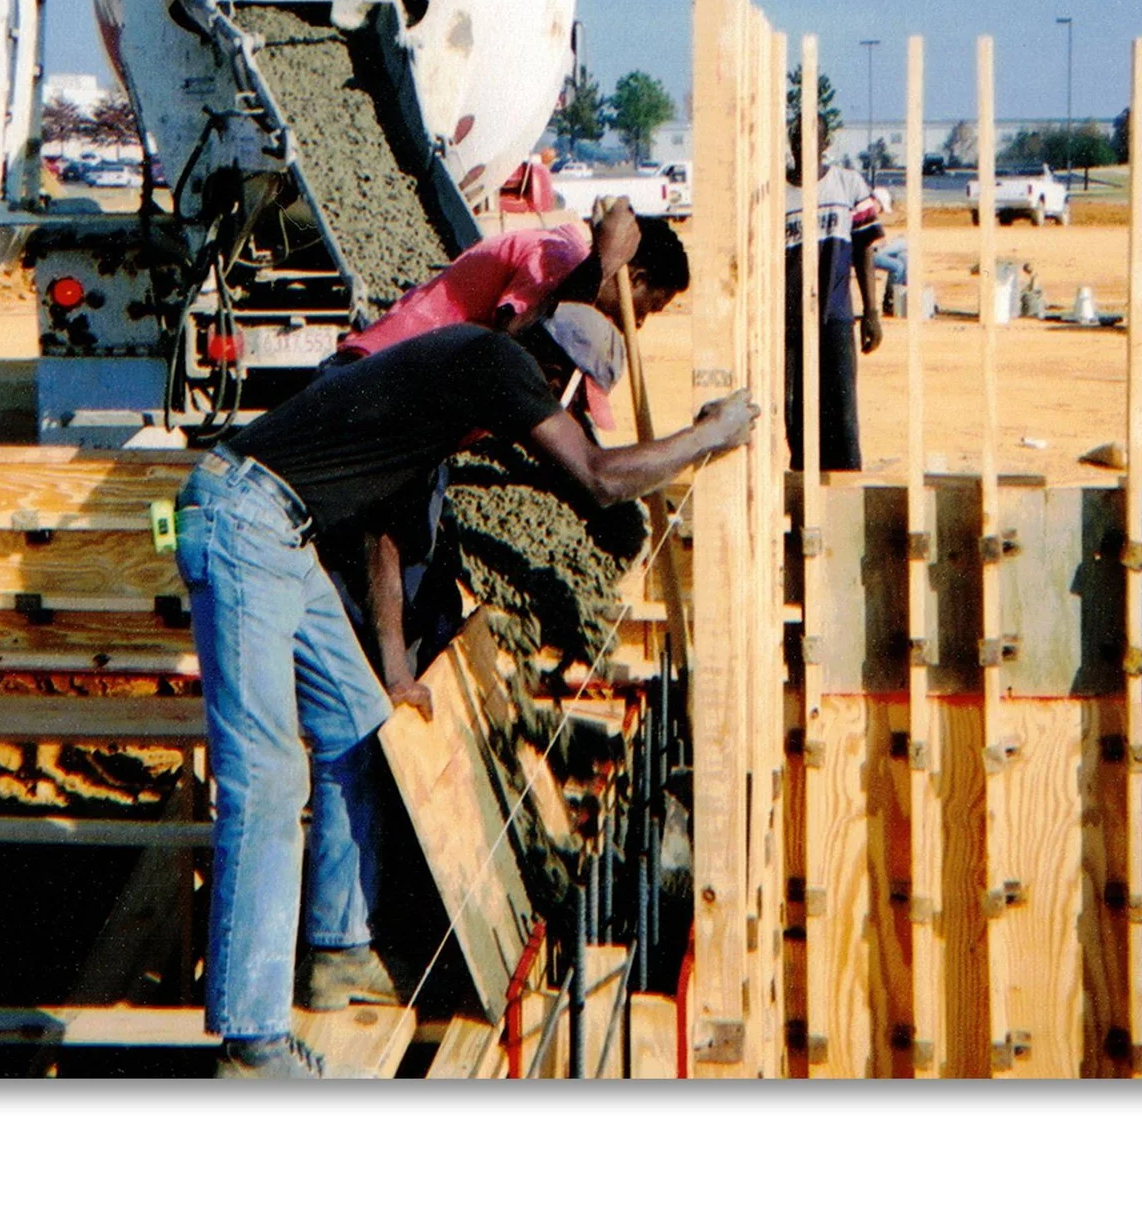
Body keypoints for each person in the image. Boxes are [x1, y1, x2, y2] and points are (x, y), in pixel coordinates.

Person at [172, 318, 757, 1077]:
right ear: (549, 376)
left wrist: (392, 665)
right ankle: (252, 1043)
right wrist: (707, 435)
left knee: (359, 724)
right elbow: (602, 476)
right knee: (267, 782)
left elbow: (386, 527)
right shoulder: (494, 363)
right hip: (241, 521)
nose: (552, 416)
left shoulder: (445, 390)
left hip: (283, 531)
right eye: (561, 399)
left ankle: (338, 951)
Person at [336, 197, 690, 431]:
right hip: (382, 380)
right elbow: (510, 341)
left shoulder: (572, 282)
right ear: (637, 280)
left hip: (416, 393)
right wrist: (604, 263)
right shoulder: (557, 257)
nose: (639, 324)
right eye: (649, 308)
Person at [784, 129, 885, 472]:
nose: (804, 146)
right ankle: (805, 496)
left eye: (812, 138)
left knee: (841, 410)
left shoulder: (847, 185)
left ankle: (843, 493)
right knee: (794, 411)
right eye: (798, 138)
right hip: (790, 322)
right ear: (791, 142)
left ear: (825, 144)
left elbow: (864, 250)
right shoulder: (778, 194)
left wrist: (871, 312)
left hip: (836, 315)